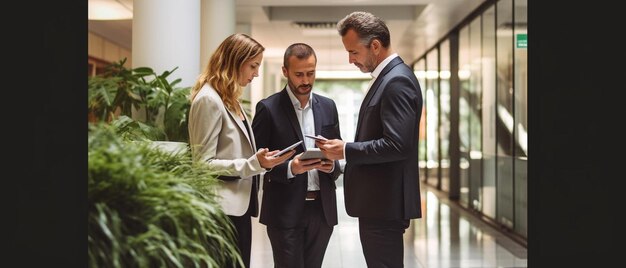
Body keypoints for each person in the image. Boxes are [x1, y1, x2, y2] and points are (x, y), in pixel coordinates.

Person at [316, 11, 424, 268]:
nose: (350, 59)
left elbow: (397, 145)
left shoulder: (396, 81)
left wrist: (346, 150)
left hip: (384, 205)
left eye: (354, 52)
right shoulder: (388, 79)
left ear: (375, 46)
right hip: (380, 203)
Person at [188, 33, 295, 268]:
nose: (256, 73)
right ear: (235, 61)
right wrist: (253, 164)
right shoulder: (209, 100)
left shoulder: (229, 99)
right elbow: (202, 163)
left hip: (238, 209)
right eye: (253, 66)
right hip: (221, 212)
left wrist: (263, 160)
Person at [251, 43, 342, 268]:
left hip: (321, 212)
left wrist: (331, 166)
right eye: (299, 74)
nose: (305, 81)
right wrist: (291, 167)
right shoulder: (268, 108)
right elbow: (255, 164)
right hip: (284, 212)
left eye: (310, 73)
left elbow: (337, 156)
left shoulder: (328, 106)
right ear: (285, 72)